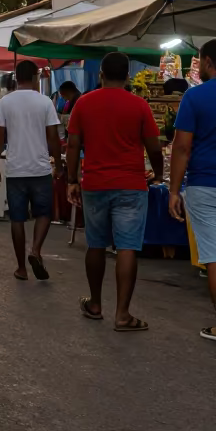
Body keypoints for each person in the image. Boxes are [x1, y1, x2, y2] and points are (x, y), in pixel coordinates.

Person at [67, 51, 163, 331]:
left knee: (95, 244)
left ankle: (95, 304)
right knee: (127, 247)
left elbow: (73, 145)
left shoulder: (83, 104)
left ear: (101, 74)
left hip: (95, 183)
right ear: (128, 76)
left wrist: (71, 179)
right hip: (131, 185)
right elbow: (154, 147)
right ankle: (123, 315)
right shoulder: (139, 105)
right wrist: (158, 174)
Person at [0, 59, 63, 281]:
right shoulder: (44, 102)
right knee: (43, 213)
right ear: (35, 77)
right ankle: (36, 251)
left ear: (15, 76)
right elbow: (53, 137)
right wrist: (58, 164)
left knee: (17, 219)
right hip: (39, 168)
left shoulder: (5, 102)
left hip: (15, 169)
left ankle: (21, 267)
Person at [169, 38, 216, 341]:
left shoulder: (194, 97)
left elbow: (182, 148)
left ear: (209, 63)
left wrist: (173, 190)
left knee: (213, 255)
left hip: (204, 185)